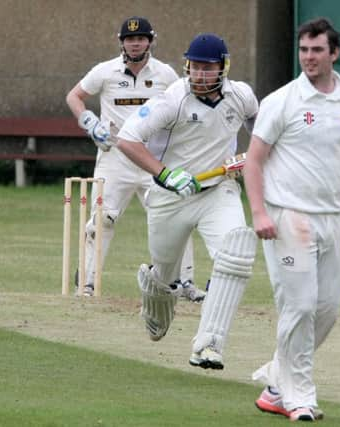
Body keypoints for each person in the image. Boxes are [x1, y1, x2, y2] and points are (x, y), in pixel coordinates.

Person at [243, 17, 340, 422]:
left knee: (326, 310)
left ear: (334, 53)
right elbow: (252, 162)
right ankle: (300, 398)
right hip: (288, 215)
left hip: (333, 217)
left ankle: (276, 383)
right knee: (300, 305)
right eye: (304, 50)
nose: (309, 58)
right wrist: (258, 212)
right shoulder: (282, 101)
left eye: (317, 51)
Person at [115, 33, 259, 369]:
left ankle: (209, 344)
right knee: (165, 278)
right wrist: (165, 174)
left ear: (223, 67)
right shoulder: (172, 99)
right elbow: (127, 139)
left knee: (235, 254)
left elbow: (262, 129)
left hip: (217, 192)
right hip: (170, 197)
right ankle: (154, 298)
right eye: (195, 66)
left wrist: (254, 155)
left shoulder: (241, 96)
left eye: (208, 67)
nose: (200, 74)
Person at [66, 16, 205, 301]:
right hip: (115, 157)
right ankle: (88, 283)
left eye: (141, 38)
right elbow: (74, 97)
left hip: (153, 160)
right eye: (130, 39)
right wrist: (89, 122)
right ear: (122, 42)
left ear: (151, 41)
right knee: (102, 219)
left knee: (176, 218)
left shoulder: (165, 74)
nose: (135, 43)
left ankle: (184, 282)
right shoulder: (105, 71)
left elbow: (183, 103)